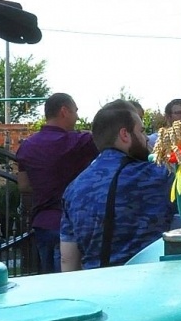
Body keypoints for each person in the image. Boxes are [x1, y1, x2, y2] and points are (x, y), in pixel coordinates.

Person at [60, 100, 174, 269]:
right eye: (141, 131)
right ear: (125, 135)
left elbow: (68, 261)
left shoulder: (73, 189)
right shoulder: (159, 176)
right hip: (148, 279)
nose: (146, 139)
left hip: (95, 282)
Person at [15, 92, 99, 273]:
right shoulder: (79, 142)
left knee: (49, 280)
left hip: (42, 223)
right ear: (64, 111)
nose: (77, 117)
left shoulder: (27, 146)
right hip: (73, 222)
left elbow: (23, 185)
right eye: (75, 111)